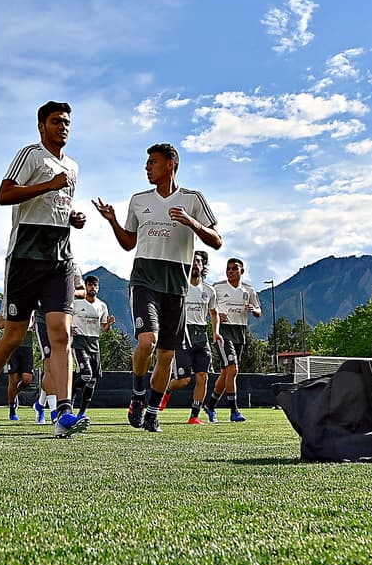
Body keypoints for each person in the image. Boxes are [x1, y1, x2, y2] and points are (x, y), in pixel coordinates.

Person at [0, 101, 89, 437]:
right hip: (24, 259)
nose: (62, 127)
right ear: (41, 126)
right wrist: (49, 185)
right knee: (13, 336)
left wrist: (73, 218)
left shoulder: (73, 167)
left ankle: (63, 412)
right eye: (55, 121)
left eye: (66, 122)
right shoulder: (31, 155)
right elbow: (4, 194)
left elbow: (57, 207)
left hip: (60, 260)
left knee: (61, 334)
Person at [93, 143, 221, 433]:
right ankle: (138, 394)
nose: (147, 167)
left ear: (171, 165)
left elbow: (217, 240)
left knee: (166, 355)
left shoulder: (193, 199)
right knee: (147, 341)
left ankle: (152, 412)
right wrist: (113, 221)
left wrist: (192, 223)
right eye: (146, 162)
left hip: (176, 286)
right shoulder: (139, 200)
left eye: (152, 162)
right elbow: (128, 243)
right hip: (143, 279)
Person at [162, 250, 216, 424]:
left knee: (203, 377)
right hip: (182, 336)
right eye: (191, 261)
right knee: (184, 380)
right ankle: (167, 390)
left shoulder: (209, 291)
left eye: (198, 262)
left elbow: (213, 314)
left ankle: (194, 416)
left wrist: (216, 332)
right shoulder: (179, 285)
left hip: (201, 336)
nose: (195, 265)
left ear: (203, 265)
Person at [206, 257, 262, 423]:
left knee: (227, 372)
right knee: (233, 369)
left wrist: (253, 309)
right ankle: (234, 411)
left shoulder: (249, 291)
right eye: (228, 268)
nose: (230, 271)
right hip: (223, 332)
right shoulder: (217, 287)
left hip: (240, 333)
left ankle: (210, 405)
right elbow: (207, 306)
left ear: (241, 271)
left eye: (234, 269)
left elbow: (259, 311)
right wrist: (215, 317)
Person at [71, 275, 114, 417]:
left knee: (93, 380)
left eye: (95, 285)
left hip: (94, 343)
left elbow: (104, 328)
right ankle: (69, 398)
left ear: (98, 287)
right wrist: (69, 328)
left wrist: (108, 325)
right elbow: (66, 318)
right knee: (86, 375)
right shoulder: (76, 303)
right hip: (79, 342)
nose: (93, 288)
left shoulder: (102, 306)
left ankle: (82, 412)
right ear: (85, 286)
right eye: (90, 285)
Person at [1, 309, 36, 422]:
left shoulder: (33, 306)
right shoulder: (9, 304)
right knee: (14, 379)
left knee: (27, 380)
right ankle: (12, 408)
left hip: (27, 347)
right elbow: (0, 323)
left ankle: (14, 394)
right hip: (12, 347)